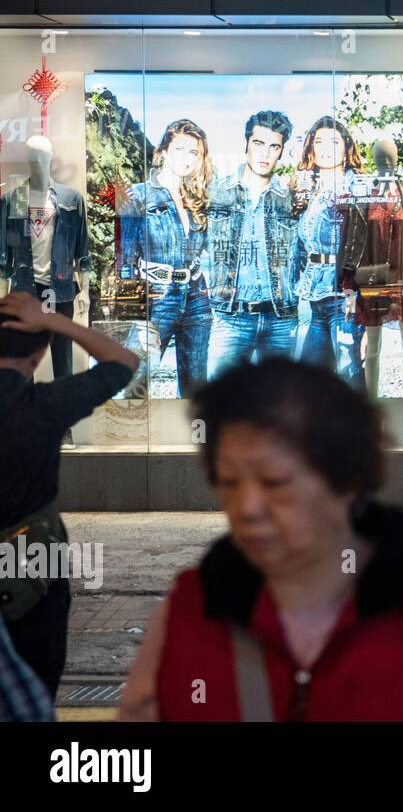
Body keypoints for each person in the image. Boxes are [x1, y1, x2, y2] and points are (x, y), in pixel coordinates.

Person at [116, 358, 403, 721]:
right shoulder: (188, 613)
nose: (247, 507)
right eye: (228, 482)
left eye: (275, 482)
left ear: (346, 481)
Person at [0, 290, 139, 697]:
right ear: (41, 355)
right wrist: (53, 320)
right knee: (36, 686)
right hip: (34, 567)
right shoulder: (47, 404)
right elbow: (124, 362)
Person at [118, 118, 213, 397]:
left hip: (197, 297)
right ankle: (133, 441)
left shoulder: (197, 199)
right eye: (181, 149)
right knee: (137, 384)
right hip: (156, 297)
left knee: (196, 389)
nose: (187, 159)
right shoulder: (136, 195)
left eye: (194, 153)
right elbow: (123, 261)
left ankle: (195, 439)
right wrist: (136, 315)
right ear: (163, 152)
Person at [205, 110, 299, 379]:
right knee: (220, 404)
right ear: (246, 143)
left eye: (274, 146)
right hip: (230, 316)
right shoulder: (218, 192)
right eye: (259, 144)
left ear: (281, 152)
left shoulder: (290, 198)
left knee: (278, 406)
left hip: (281, 317)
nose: (265, 154)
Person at [292, 116, 361, 375]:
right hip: (314, 298)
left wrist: (356, 291)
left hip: (343, 295)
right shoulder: (307, 189)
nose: (324, 147)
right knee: (309, 379)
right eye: (318, 141)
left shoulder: (354, 187)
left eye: (333, 142)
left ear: (346, 148)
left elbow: (364, 243)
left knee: (348, 373)